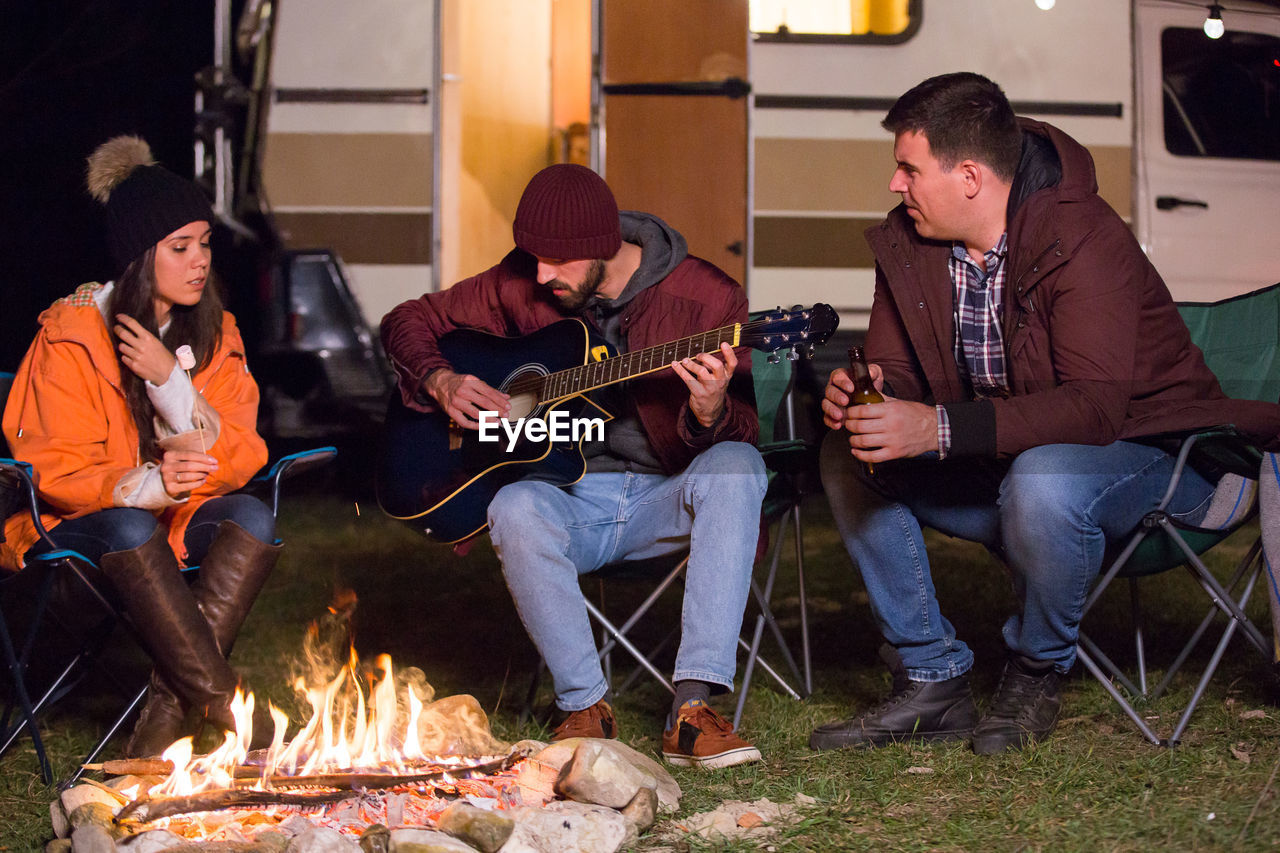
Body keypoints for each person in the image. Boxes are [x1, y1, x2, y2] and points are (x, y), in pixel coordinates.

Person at [810, 72, 1280, 755]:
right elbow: (902, 368)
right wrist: (873, 394)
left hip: (1158, 455)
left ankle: (1037, 670)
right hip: (1006, 458)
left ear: (969, 175)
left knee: (1045, 477)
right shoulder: (909, 240)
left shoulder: (1082, 237)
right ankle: (932, 674)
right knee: (848, 456)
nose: (896, 185)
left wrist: (935, 426)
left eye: (908, 168)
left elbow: (1094, 408)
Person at [381, 164, 766, 769]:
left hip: (667, 497)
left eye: (556, 262)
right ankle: (585, 706)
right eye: (533, 258)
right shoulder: (523, 281)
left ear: (601, 248)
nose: (540, 275)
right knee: (512, 504)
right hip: (572, 498)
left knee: (738, 465)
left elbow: (745, 431)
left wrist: (710, 410)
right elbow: (407, 319)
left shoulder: (707, 297)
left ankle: (694, 710)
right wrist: (442, 377)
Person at [1, 136, 279, 758]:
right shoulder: (71, 337)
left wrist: (168, 381)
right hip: (69, 533)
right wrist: (152, 484)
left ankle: (158, 732)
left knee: (254, 518)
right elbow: (51, 469)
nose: (199, 260)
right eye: (179, 248)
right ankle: (231, 711)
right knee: (128, 526)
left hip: (168, 524)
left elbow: (241, 452)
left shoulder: (214, 333)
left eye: (204, 242)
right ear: (136, 258)